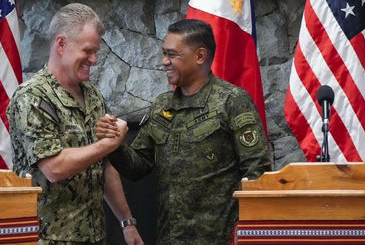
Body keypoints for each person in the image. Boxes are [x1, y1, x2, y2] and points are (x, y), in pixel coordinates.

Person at [96, 19, 271, 244]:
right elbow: (137, 167)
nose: (164, 61)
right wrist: (115, 143)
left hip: (219, 238)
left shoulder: (232, 101)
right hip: (170, 236)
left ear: (200, 56)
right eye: (163, 53)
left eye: (172, 54)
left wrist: (244, 233)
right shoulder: (162, 105)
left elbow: (256, 173)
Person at [7, 3, 144, 245]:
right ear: (61, 44)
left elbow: (105, 166)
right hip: (48, 238)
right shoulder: (32, 98)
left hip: (94, 236)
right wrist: (110, 143)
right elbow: (54, 168)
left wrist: (127, 222)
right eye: (87, 51)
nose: (94, 59)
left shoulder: (91, 94)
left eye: (96, 51)